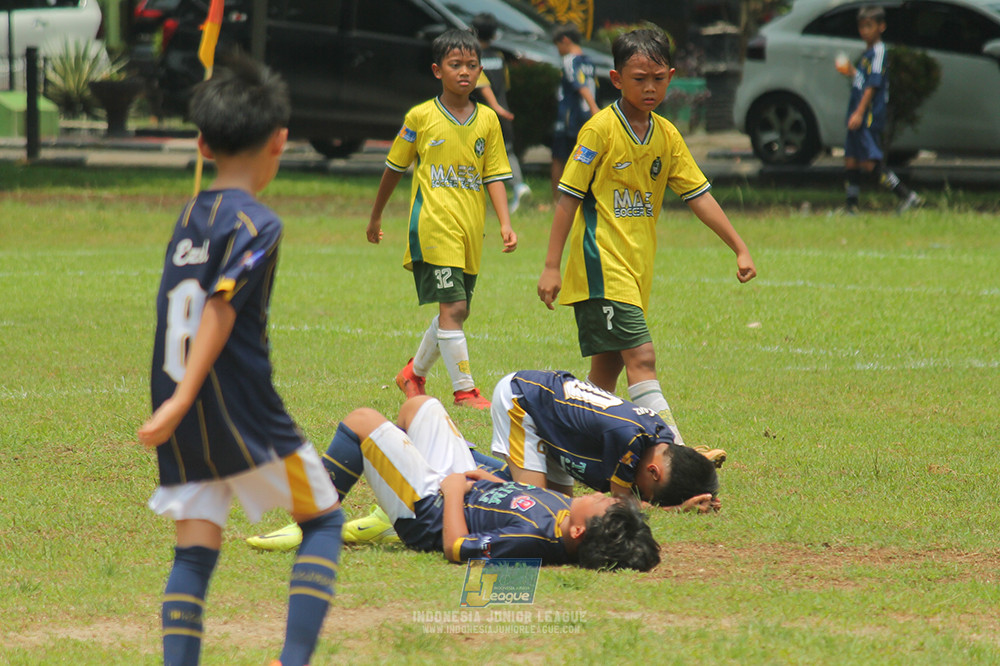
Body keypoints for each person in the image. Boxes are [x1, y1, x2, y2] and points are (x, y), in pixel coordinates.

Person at [137, 53, 343, 666]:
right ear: (280, 140)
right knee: (325, 521)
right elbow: (220, 309)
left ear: (202, 143)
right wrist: (185, 397)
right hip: (237, 402)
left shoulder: (189, 213)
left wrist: (174, 397)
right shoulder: (259, 222)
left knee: (195, 552)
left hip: (177, 395)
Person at [537, 28, 756, 445]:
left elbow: (699, 195)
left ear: (671, 76)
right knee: (641, 356)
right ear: (617, 79)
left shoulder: (667, 135)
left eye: (658, 78)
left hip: (636, 271)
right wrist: (551, 266)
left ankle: (566, 444)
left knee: (605, 375)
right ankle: (673, 452)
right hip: (601, 268)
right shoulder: (599, 130)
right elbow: (567, 198)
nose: (650, 87)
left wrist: (739, 246)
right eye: (639, 79)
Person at [254, 396, 661, 571]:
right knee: (421, 407)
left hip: (433, 509)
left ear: (578, 530)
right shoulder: (562, 516)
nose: (597, 495)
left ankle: (313, 520)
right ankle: (384, 509)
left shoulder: (535, 543)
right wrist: (489, 478)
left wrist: (451, 493)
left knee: (362, 420)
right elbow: (523, 497)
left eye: (602, 504)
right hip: (463, 486)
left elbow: (456, 548)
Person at [368, 28, 518, 411]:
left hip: (471, 229)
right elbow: (393, 168)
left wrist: (504, 222)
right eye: (455, 65)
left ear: (481, 71)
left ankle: (413, 375)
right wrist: (376, 215)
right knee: (452, 309)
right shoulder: (420, 117)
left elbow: (495, 175)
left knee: (458, 309)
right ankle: (465, 390)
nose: (464, 72)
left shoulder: (487, 121)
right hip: (433, 227)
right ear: (438, 70)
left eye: (471, 65)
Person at [490, 370, 721, 511]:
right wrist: (675, 509)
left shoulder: (662, 436)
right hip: (521, 400)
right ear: (653, 472)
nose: (637, 491)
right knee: (533, 506)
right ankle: (471, 481)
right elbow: (620, 502)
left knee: (561, 508)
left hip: (550, 414)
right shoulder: (629, 441)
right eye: (644, 492)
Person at [836, 5, 922, 214]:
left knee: (868, 161)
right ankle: (851, 207)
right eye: (862, 27)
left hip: (868, 114)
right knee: (851, 158)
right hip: (858, 111)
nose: (864, 31)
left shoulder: (879, 52)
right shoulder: (868, 53)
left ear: (881, 27)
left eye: (869, 26)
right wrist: (852, 72)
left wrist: (859, 112)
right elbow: (864, 80)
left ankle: (907, 195)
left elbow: (873, 86)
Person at [470, 12, 533, 213]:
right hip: (503, 112)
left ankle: (474, 196)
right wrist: (500, 106)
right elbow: (504, 85)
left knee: (475, 154)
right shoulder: (499, 57)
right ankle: (519, 186)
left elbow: (481, 84)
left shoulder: (472, 57)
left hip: (480, 114)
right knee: (507, 151)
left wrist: (494, 106)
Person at [550, 22, 600, 202]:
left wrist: (593, 106)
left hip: (570, 115)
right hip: (587, 115)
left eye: (558, 45)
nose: (558, 50)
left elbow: (580, 86)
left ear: (564, 40)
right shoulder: (589, 61)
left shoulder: (570, 60)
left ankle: (558, 199)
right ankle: (584, 196)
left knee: (559, 156)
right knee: (584, 154)